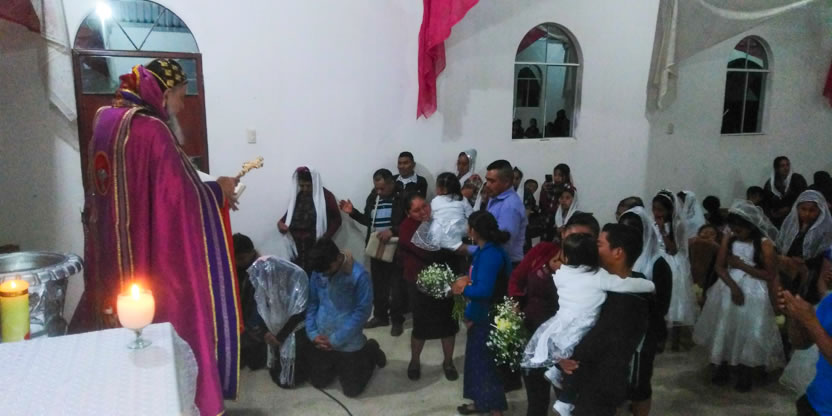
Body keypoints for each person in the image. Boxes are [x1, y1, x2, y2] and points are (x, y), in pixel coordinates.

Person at [69, 59, 240, 415]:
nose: (182, 106)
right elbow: (179, 199)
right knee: (167, 324)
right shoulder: (152, 130)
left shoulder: (106, 119)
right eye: (180, 96)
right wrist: (219, 192)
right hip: (147, 256)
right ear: (164, 93)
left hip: (113, 252)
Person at [521, 233, 654, 416]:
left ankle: (559, 382)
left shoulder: (563, 274)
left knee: (567, 358)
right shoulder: (599, 277)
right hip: (582, 334)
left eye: (600, 244)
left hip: (562, 326)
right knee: (573, 364)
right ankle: (565, 399)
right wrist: (650, 286)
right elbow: (626, 285)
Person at [509, 215, 599, 416]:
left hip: (569, 347)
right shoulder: (543, 251)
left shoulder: (593, 270)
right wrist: (515, 307)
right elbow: (517, 278)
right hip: (534, 335)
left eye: (586, 237)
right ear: (563, 232)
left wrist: (563, 355)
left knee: (568, 403)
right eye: (573, 235)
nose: (578, 242)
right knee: (536, 400)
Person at [693, 200, 784, 392]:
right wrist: (733, 287)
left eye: (740, 228)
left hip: (755, 289)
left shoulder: (764, 244)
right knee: (726, 325)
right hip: (728, 286)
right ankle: (723, 364)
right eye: (733, 227)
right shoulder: (730, 239)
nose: (736, 231)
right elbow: (719, 267)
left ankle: (746, 369)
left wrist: (742, 265)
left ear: (751, 226)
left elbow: (770, 274)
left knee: (749, 328)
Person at [302, 238, 387, 398]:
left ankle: (370, 350)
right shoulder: (319, 271)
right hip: (322, 337)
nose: (324, 274)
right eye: (321, 272)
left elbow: (362, 313)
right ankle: (337, 361)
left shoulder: (359, 276)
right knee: (318, 382)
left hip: (348, 341)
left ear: (338, 258)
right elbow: (312, 303)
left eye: (327, 270)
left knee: (352, 391)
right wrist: (312, 333)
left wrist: (336, 339)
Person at [452, 211, 512, 416]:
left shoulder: (490, 255)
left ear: (474, 230)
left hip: (489, 317)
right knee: (476, 363)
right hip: (481, 314)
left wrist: (461, 289)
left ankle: (495, 410)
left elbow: (484, 291)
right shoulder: (484, 250)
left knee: (486, 366)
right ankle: (480, 403)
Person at [398, 193, 460, 381]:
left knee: (448, 325)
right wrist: (450, 246)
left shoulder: (439, 219)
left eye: (424, 206)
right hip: (419, 283)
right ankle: (415, 361)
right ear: (408, 213)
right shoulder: (407, 227)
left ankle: (448, 362)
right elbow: (429, 253)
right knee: (421, 326)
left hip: (446, 280)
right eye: (416, 210)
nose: (423, 212)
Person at [339, 169, 407, 335]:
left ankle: (397, 320)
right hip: (377, 246)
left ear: (391, 183)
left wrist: (393, 230)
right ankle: (380, 316)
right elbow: (369, 221)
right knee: (379, 284)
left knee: (396, 286)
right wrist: (353, 212)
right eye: (376, 188)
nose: (379, 192)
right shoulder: (373, 197)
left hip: (396, 248)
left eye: (382, 188)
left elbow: (410, 221)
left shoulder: (402, 197)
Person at [618, 208, 673, 415]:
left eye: (633, 231)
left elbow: (661, 306)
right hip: (616, 332)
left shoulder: (657, 263)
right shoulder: (617, 257)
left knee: (639, 383)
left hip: (643, 333)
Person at [247, 256, 309, 389]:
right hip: (273, 332)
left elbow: (298, 315)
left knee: (290, 379)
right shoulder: (265, 287)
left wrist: (279, 337)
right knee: (259, 363)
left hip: (292, 331)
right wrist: (266, 333)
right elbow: (261, 311)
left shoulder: (295, 286)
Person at [652, 190, 698, 350]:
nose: (656, 213)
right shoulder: (652, 224)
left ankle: (675, 341)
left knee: (675, 301)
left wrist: (663, 231)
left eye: (660, 210)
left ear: (669, 210)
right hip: (657, 260)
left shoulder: (677, 225)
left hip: (672, 263)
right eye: (654, 209)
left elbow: (673, 249)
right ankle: (659, 338)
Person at [277, 167, 342, 272]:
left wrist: (325, 237)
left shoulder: (326, 196)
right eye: (302, 186)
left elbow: (337, 219)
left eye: (308, 186)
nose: (305, 189)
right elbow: (286, 217)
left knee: (317, 275)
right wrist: (280, 224)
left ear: (315, 183)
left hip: (316, 246)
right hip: (297, 248)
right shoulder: (299, 196)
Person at [780, 287, 832, 416]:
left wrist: (810, 321)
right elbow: (801, 343)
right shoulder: (829, 301)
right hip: (815, 399)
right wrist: (795, 317)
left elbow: (813, 327)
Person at [777, 190, 832, 306]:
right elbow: (781, 245)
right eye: (803, 209)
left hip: (813, 274)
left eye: (812, 210)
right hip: (788, 271)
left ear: (820, 210)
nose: (807, 214)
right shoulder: (790, 226)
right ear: (797, 208)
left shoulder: (824, 230)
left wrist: (805, 262)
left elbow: (824, 254)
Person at [478, 160, 528, 266]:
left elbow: (504, 243)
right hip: (493, 257)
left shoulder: (510, 205)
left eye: (492, 181)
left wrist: (470, 249)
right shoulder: (495, 196)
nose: (487, 185)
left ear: (506, 182)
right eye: (487, 180)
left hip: (506, 263)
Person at [413, 172, 473, 251]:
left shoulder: (435, 200)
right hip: (457, 232)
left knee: (432, 225)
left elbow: (430, 215)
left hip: (438, 235)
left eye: (437, 187)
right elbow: (471, 215)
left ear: (443, 190)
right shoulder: (462, 199)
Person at [234, 234, 267, 371]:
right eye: (235, 259)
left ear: (252, 253)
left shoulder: (262, 270)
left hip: (257, 323)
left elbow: (262, 302)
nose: (238, 262)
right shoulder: (234, 269)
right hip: (240, 321)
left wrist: (252, 325)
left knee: (256, 364)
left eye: (241, 258)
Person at [764, 156, 809, 227]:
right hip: (777, 218)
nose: (786, 168)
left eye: (787, 165)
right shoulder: (770, 184)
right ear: (777, 168)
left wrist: (789, 208)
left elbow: (804, 197)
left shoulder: (797, 179)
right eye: (782, 166)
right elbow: (766, 201)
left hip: (796, 215)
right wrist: (772, 212)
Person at [540, 164, 574, 241]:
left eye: (560, 175)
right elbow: (543, 204)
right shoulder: (551, 187)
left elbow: (567, 206)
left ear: (566, 176)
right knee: (545, 242)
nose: (556, 178)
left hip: (560, 221)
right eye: (555, 175)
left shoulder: (569, 189)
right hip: (548, 220)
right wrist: (544, 190)